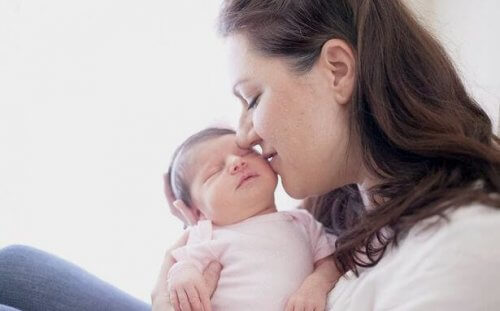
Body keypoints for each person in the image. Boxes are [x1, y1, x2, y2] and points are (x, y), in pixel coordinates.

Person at [152, 0, 500, 310]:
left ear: (337, 71)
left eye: (254, 99)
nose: (244, 137)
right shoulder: (342, 219)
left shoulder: (463, 249)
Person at [165, 127, 339, 311]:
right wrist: (183, 276)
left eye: (248, 153)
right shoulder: (206, 235)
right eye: (214, 172)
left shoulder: (302, 222)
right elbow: (183, 265)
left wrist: (315, 285)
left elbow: (331, 262)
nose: (236, 162)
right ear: (197, 212)